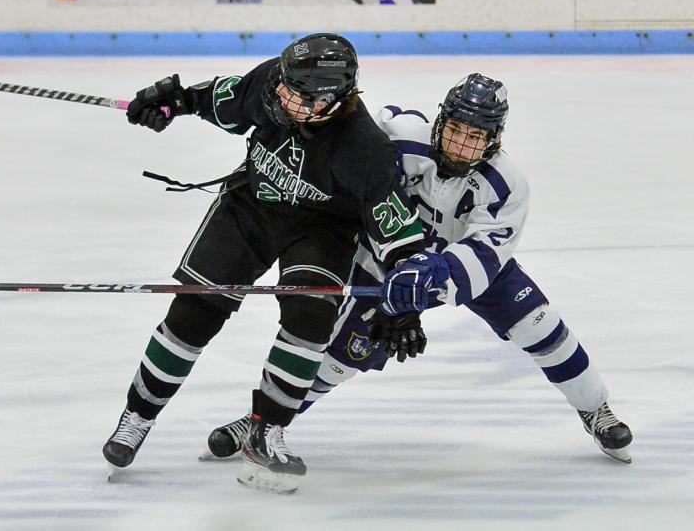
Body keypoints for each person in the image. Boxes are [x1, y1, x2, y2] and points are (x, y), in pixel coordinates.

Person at [206, 73, 634, 465]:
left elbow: (484, 256)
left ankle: (596, 409)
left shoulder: (507, 184)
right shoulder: (402, 140)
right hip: (385, 261)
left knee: (542, 327)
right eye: (454, 130)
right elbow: (353, 168)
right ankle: (261, 420)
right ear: (440, 120)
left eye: (475, 136)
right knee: (341, 356)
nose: (460, 145)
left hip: (461, 267)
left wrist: (417, 293)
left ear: (495, 139)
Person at [103, 34, 431, 493]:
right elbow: (214, 99)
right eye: (284, 85)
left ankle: (267, 430)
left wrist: (407, 301)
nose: (281, 95)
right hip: (250, 209)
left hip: (321, 229)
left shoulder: (366, 151)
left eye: (296, 95)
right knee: (194, 313)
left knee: (311, 317)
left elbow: (399, 239)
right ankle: (136, 417)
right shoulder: (273, 83)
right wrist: (170, 102)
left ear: (329, 101)